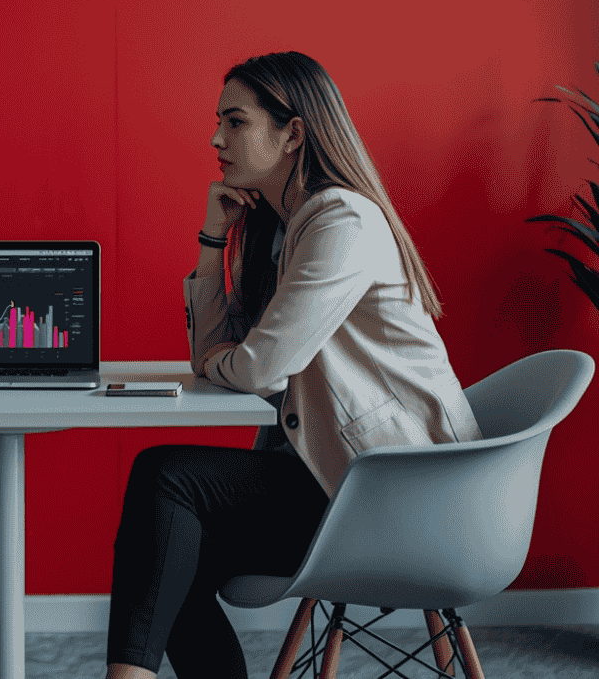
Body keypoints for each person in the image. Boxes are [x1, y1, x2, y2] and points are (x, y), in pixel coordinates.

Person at [103, 52, 483, 679]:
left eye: (235, 122)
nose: (215, 139)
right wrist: (211, 240)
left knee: (166, 477)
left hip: (401, 494)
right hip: (340, 480)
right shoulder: (283, 229)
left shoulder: (343, 222)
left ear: (293, 133)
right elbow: (218, 358)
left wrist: (238, 361)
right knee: (171, 548)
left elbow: (258, 370)